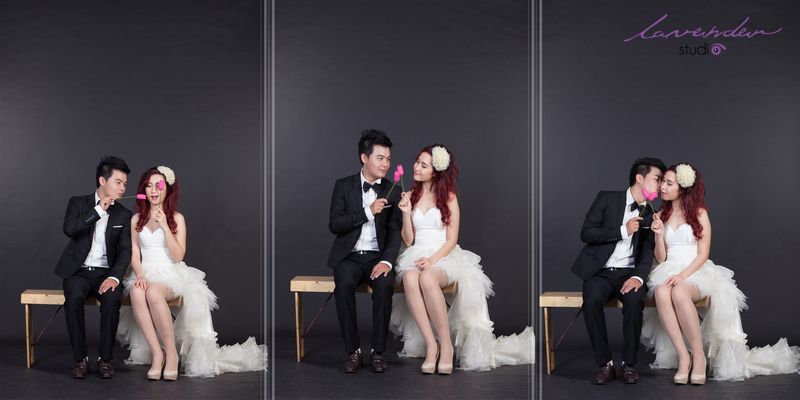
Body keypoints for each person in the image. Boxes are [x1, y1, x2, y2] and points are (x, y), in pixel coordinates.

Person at [642, 163, 800, 383]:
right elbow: (661, 258)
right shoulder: (661, 214)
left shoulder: (699, 213)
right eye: (663, 183)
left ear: (683, 188)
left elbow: (703, 254)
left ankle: (699, 356)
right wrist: (659, 235)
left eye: (669, 183)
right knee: (661, 291)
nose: (663, 187)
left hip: (695, 270)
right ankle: (684, 356)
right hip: (670, 268)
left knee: (678, 292)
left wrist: (682, 276)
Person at [390, 144, 534, 373]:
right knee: (409, 277)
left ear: (435, 171)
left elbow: (451, 239)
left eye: (423, 165)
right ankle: (431, 345)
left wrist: (432, 260)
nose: (416, 167)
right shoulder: (410, 196)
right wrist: (406, 214)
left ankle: (446, 345)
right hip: (417, 253)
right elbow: (408, 240)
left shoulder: (448, 197)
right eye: (417, 162)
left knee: (427, 278)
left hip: (443, 256)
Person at [116, 166, 266, 379]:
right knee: (136, 292)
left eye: (159, 185)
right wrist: (139, 275)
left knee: (153, 292)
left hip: (170, 273)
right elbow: (134, 253)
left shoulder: (176, 218)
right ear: (143, 190)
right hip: (144, 271)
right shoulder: (136, 219)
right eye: (149, 186)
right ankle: (158, 353)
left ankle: (171, 354)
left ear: (168, 189)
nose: (153, 190)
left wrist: (164, 226)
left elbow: (178, 256)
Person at [571, 157, 665, 384]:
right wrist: (623, 230)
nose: (661, 185)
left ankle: (629, 365)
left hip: (628, 273)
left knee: (634, 301)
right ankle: (605, 365)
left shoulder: (652, 212)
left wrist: (638, 277)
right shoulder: (606, 198)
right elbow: (587, 233)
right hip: (600, 272)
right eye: (657, 179)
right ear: (640, 178)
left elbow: (647, 251)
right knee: (591, 300)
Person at [327, 129, 402, 373]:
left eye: (388, 159)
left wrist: (387, 262)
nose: (386, 164)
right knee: (344, 284)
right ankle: (353, 352)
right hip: (348, 257)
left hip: (377, 257)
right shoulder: (343, 186)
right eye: (380, 158)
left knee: (384, 285)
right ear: (364, 158)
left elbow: (395, 232)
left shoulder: (393, 190)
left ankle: (378, 352)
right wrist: (368, 212)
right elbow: (335, 224)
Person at [55, 155, 132, 379]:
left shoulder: (124, 214)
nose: (123, 187)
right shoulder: (78, 203)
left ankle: (105, 360)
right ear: (102, 180)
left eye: (125, 183)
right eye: (118, 182)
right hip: (78, 271)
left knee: (112, 300)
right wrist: (97, 211)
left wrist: (114, 278)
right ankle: (80, 359)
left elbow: (125, 251)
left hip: (105, 273)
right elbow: (69, 229)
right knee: (73, 299)